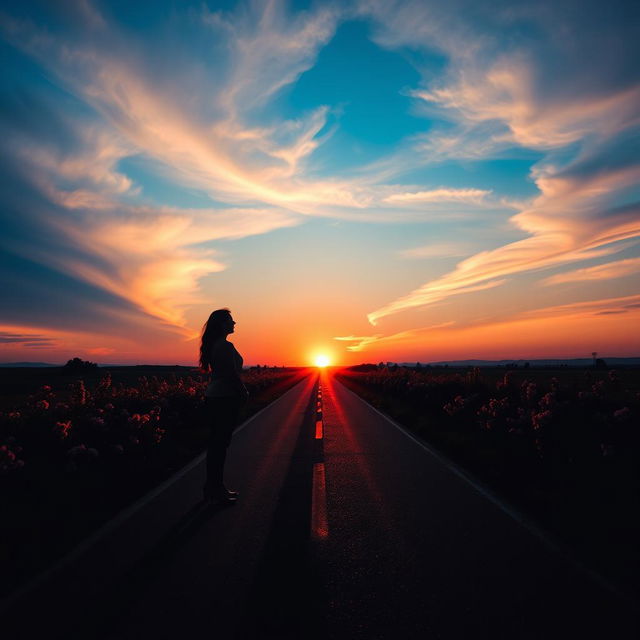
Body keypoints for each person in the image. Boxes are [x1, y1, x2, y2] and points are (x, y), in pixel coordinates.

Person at [199, 308, 248, 504]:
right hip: (224, 399)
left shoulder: (214, 345)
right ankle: (215, 490)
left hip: (214, 397)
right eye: (230, 320)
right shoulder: (225, 346)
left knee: (216, 446)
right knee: (220, 446)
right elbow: (231, 374)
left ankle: (214, 488)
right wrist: (243, 391)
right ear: (222, 324)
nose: (234, 323)